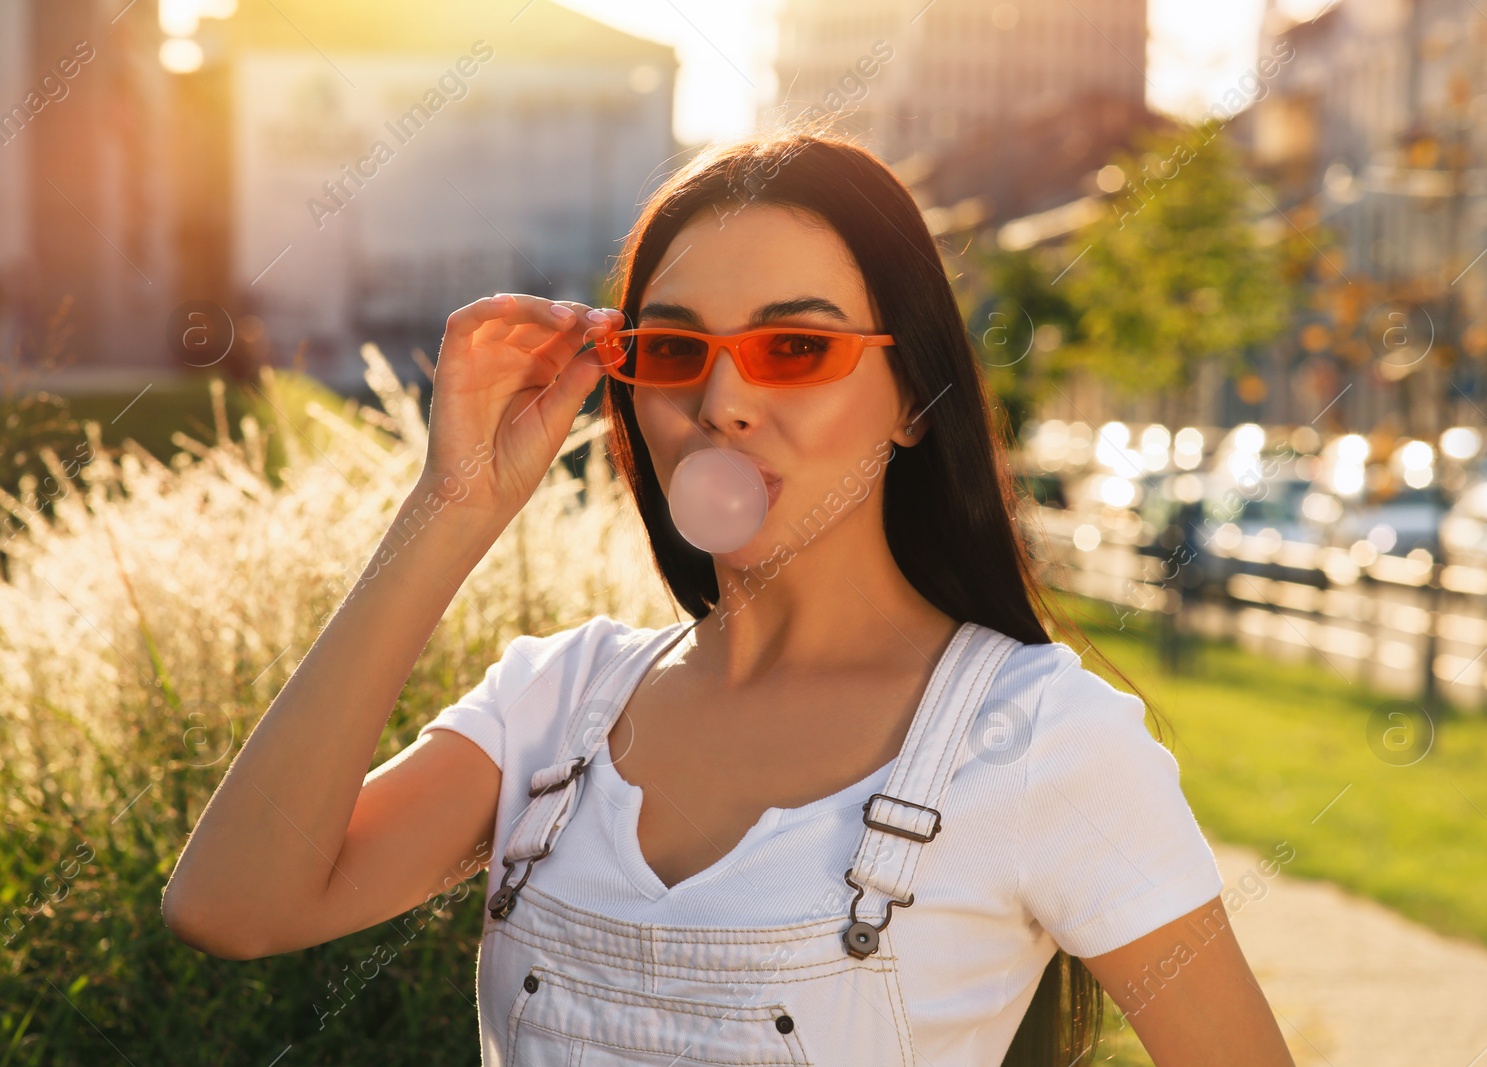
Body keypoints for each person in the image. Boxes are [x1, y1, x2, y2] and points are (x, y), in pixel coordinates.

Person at [161, 130, 1296, 1066]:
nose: (722, 399)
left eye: (795, 345)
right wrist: (452, 507)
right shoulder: (555, 704)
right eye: (673, 349)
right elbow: (235, 903)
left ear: (913, 398)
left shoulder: (1045, 737)